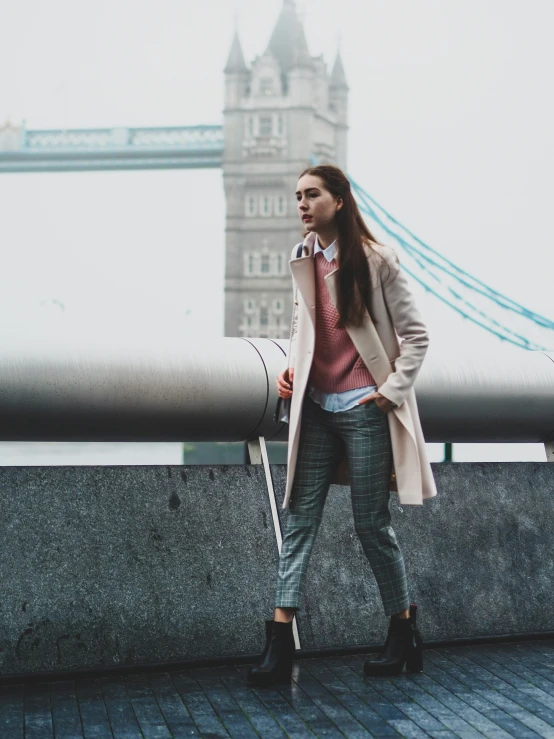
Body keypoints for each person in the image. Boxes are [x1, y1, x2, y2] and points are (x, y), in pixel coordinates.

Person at [247, 164, 437, 687]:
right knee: (299, 521)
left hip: (364, 410)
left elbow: (417, 338)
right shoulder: (302, 258)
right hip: (317, 408)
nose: (301, 204)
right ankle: (279, 641)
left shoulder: (377, 262)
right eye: (298, 196)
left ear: (340, 201)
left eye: (312, 195)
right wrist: (291, 367)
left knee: (371, 526)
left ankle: (402, 631)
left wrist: (388, 395)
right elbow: (307, 333)